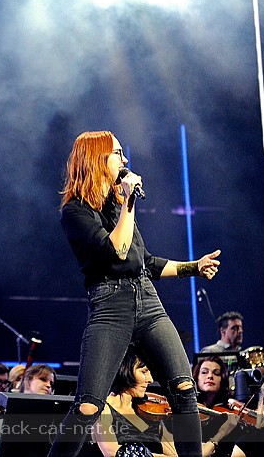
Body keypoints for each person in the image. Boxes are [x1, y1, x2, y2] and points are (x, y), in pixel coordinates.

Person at [47, 130, 222, 457]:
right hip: (110, 308)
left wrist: (193, 267)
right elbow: (116, 252)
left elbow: (144, 262)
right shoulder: (75, 212)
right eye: (117, 153)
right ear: (96, 158)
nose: (125, 160)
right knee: (88, 406)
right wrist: (128, 202)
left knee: (184, 387)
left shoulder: (118, 205)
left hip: (148, 303)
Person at [93, 344, 239, 457]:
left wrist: (220, 434)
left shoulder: (150, 414)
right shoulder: (103, 408)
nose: (150, 379)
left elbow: (185, 453)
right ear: (125, 369)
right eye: (144, 372)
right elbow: (113, 452)